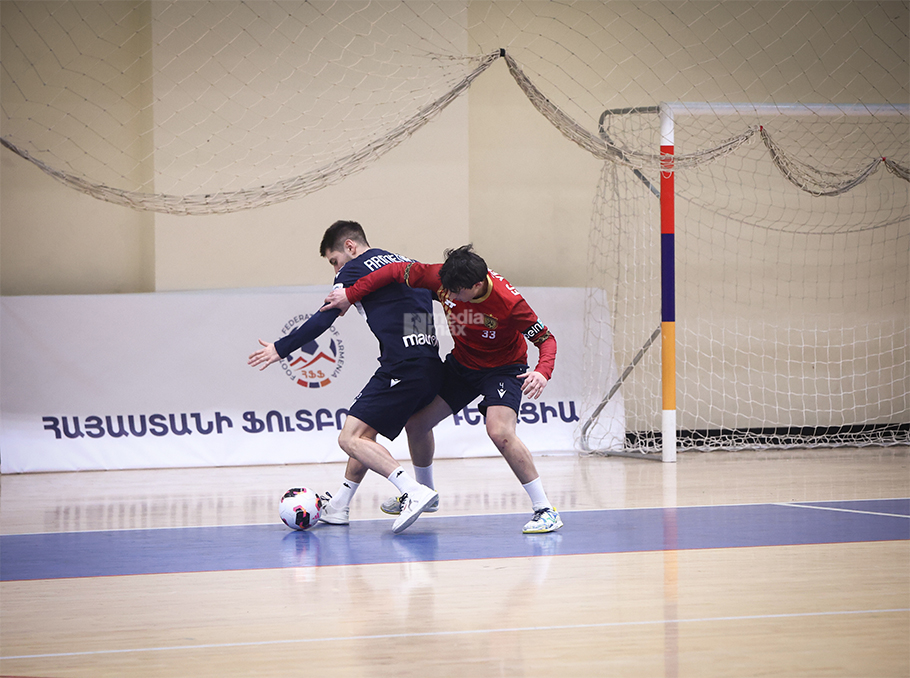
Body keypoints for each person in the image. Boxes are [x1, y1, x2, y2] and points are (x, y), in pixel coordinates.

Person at [323, 244, 562, 534]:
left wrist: (542, 371)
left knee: (499, 432)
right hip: (463, 365)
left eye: (456, 293)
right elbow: (394, 271)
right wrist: (351, 294)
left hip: (503, 369)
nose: (449, 297)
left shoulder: (509, 302)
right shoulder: (442, 277)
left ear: (477, 286)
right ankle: (425, 493)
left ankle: (545, 510)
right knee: (417, 424)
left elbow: (546, 339)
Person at [248, 221, 444, 534]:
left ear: (350, 247)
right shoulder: (407, 264)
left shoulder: (354, 269)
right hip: (430, 363)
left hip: (402, 367)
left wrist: (280, 348)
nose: (336, 270)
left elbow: (322, 320)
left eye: (334, 261)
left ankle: (414, 491)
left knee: (350, 438)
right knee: (367, 434)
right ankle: (341, 505)